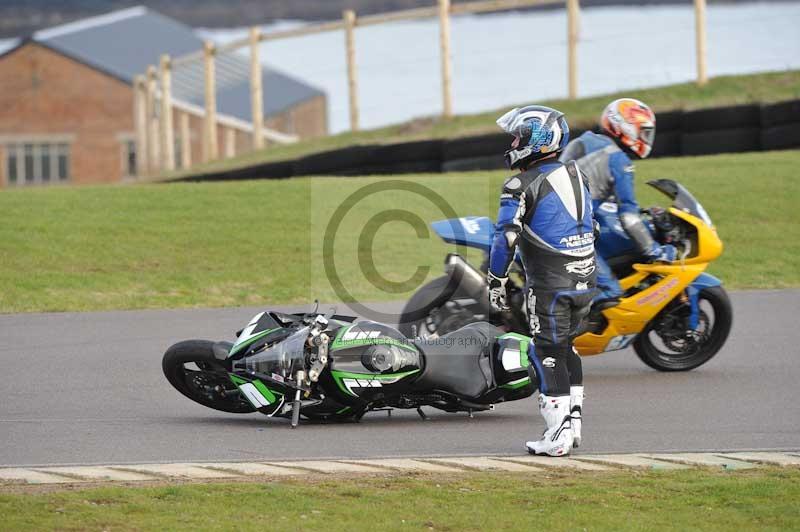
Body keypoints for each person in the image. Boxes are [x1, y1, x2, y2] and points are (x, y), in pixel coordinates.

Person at [487, 105, 596, 457]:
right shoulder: (578, 174)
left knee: (544, 350)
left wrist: (495, 279)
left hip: (550, 283)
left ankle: (557, 434)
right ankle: (574, 425)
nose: (514, 142)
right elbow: (592, 226)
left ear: (537, 140)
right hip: (586, 279)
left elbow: (505, 238)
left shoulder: (520, 184)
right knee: (567, 347)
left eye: (519, 137)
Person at [559, 98, 676, 302]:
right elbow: (628, 217)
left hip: (549, 221)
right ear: (626, 127)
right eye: (643, 131)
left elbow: (594, 195)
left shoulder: (586, 142)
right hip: (566, 234)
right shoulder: (618, 160)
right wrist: (654, 251)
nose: (646, 138)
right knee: (611, 292)